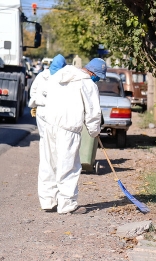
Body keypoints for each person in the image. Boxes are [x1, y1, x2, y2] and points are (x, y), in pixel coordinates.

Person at [40, 58, 106, 214]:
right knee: (69, 166)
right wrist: (94, 131)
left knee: (49, 164)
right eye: (98, 76)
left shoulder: (60, 75)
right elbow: (93, 112)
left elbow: (44, 93)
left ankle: (48, 201)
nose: (97, 79)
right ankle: (67, 204)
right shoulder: (88, 84)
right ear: (93, 72)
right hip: (68, 129)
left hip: (49, 125)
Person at [28, 54, 67, 212]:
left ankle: (53, 198)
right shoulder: (43, 77)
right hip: (47, 122)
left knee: (53, 160)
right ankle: (48, 200)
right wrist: (41, 102)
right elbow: (33, 96)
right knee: (49, 160)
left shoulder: (60, 78)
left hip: (55, 123)